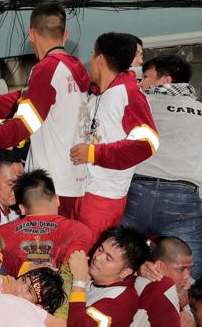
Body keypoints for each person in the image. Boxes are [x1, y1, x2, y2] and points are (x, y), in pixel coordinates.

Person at [0, 2, 91, 218]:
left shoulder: (46, 68)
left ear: (31, 34)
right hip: (74, 180)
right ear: (66, 35)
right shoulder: (74, 68)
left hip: (48, 185)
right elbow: (23, 97)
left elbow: (25, 124)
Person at [123, 53, 202, 279]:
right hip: (183, 200)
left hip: (136, 192)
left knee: (120, 262)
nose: (142, 83)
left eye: (147, 77)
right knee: (194, 274)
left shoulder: (140, 103)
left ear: (166, 80)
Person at [68, 32, 159, 239]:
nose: (89, 60)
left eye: (92, 54)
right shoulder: (101, 93)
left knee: (87, 259)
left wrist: (94, 153)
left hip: (104, 196)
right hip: (84, 188)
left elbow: (147, 143)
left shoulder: (129, 93)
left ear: (100, 59)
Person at [0, 169, 93, 276]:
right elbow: (71, 275)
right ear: (57, 199)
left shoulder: (2, 233)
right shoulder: (80, 231)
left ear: (22, 208)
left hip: (16, 290)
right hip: (61, 291)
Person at [67, 226, 148, 327]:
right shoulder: (95, 278)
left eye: (108, 258)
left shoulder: (123, 301)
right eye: (100, 249)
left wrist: (78, 281)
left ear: (124, 272)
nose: (98, 257)